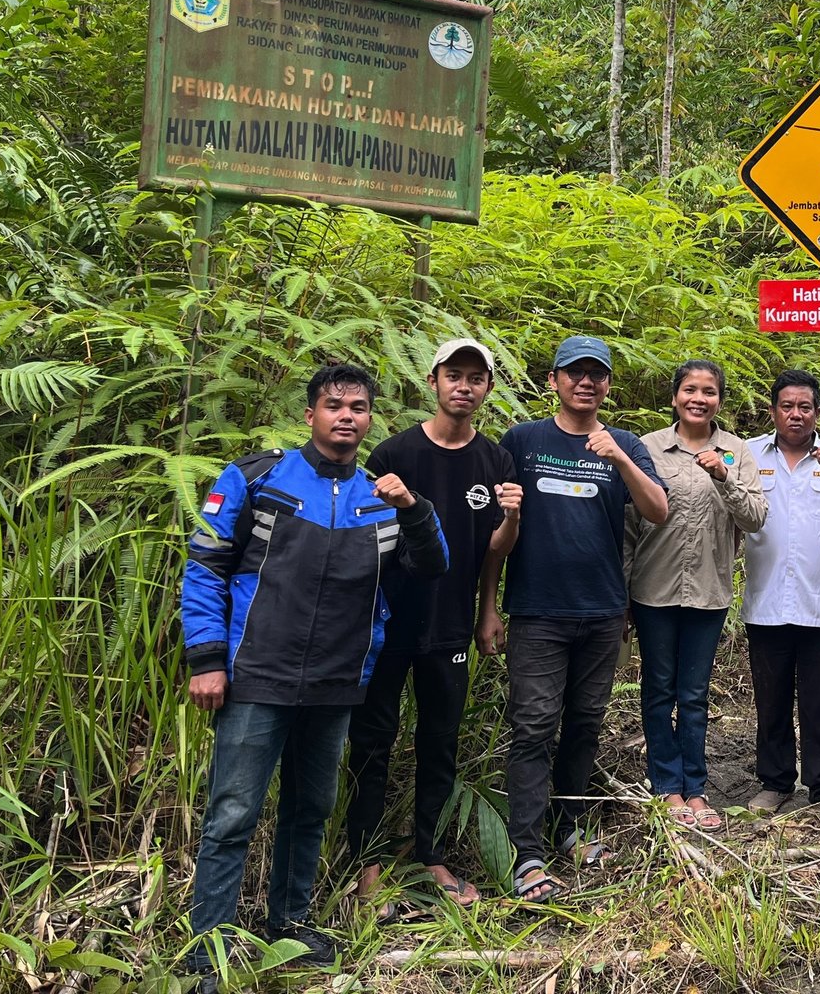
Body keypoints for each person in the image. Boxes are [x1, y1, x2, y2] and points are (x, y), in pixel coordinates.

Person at [180, 363, 448, 984]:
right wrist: (207, 659)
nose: (346, 416)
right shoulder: (257, 477)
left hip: (336, 680)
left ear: (370, 419)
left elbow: (433, 565)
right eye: (334, 405)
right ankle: (208, 948)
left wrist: (413, 507)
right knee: (232, 814)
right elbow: (206, 566)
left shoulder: (380, 498)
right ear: (310, 415)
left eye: (358, 407)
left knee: (311, 810)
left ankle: (290, 924)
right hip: (257, 675)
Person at [476, 336, 669, 904]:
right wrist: (488, 607)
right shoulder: (523, 441)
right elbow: (496, 533)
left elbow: (658, 510)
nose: (586, 382)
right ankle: (527, 852)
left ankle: (570, 828)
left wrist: (620, 460)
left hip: (603, 611)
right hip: (537, 612)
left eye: (596, 374)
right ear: (554, 380)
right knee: (533, 727)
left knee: (584, 723)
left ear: (607, 384)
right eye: (574, 372)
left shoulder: (625, 444)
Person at [345, 338, 522, 912]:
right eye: (454, 375)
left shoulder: (493, 460)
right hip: (387, 622)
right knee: (372, 740)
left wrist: (488, 607)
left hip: (450, 623)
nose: (463, 386)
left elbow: (494, 549)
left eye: (475, 378)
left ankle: (431, 854)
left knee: (439, 741)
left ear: (487, 388)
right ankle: (366, 860)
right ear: (433, 380)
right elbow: (361, 539)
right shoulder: (394, 453)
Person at [630, 360, 768, 831]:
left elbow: (755, 518)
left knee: (693, 695)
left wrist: (724, 478)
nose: (699, 399)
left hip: (709, 591)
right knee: (658, 690)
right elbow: (629, 524)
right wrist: (622, 593)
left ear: (719, 401)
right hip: (652, 589)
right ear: (674, 397)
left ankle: (696, 788)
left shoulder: (736, 451)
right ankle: (666, 786)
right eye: (690, 389)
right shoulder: (647, 447)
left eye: (709, 391)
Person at [742, 369, 820, 816]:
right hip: (766, 601)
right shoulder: (748, 454)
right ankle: (775, 783)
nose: (795, 414)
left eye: (804, 407)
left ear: (817, 411)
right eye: (787, 406)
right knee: (771, 698)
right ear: (773, 411)